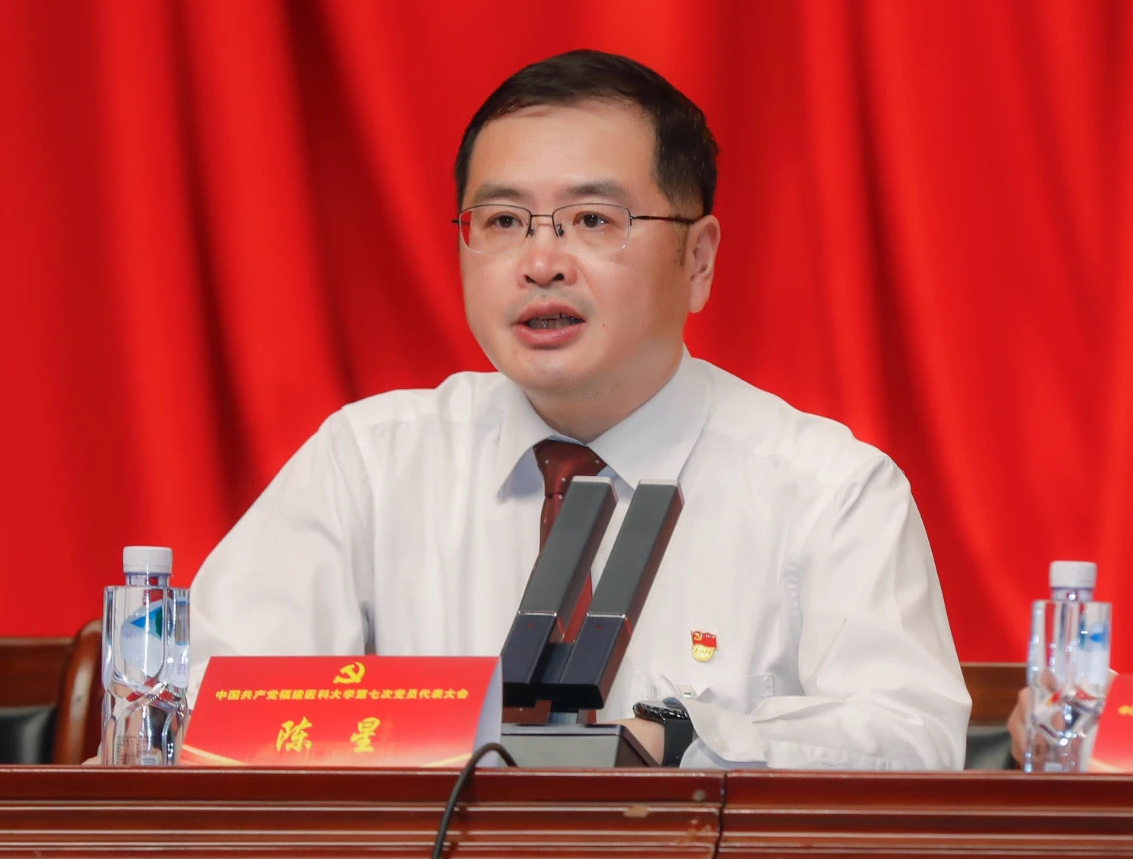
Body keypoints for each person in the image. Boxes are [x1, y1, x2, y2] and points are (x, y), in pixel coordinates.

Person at [189, 49, 972, 769]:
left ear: (698, 260)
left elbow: (912, 738)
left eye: (593, 220)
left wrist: (686, 740)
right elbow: (215, 710)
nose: (540, 263)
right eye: (502, 222)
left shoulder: (829, 491)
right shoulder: (368, 463)